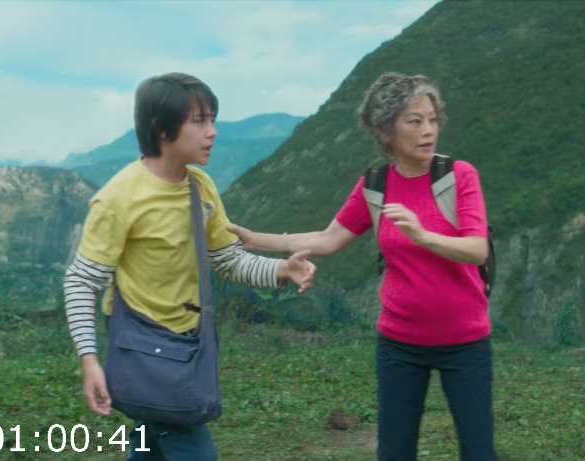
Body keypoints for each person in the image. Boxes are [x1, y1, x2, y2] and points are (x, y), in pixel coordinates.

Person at [226, 72, 497, 461]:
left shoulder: (458, 176)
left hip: (465, 341)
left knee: (478, 451)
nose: (428, 130)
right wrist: (257, 240)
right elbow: (329, 239)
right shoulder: (376, 184)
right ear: (385, 131)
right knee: (394, 451)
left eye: (432, 119)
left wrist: (422, 235)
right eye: (414, 121)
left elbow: (476, 249)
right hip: (400, 342)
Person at [63, 72, 316, 460]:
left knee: (151, 444)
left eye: (212, 119)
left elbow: (227, 258)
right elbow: (82, 281)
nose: (212, 132)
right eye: (199, 121)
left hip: (187, 342)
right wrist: (89, 358)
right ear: (161, 127)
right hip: (145, 344)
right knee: (190, 444)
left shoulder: (201, 187)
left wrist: (283, 269)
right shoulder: (119, 198)